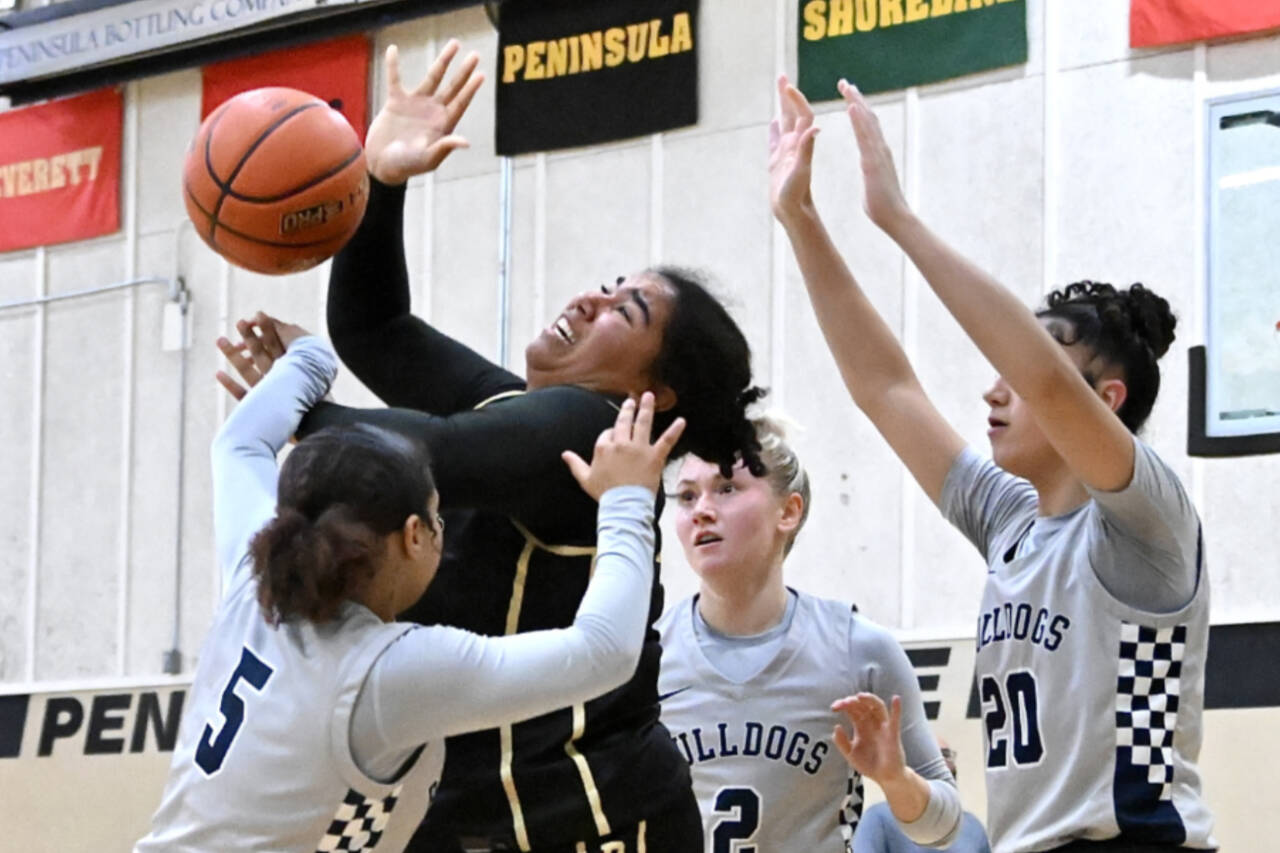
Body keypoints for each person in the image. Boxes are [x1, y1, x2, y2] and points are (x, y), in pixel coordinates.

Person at [218, 42, 763, 853]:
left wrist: (302, 408)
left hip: (595, 813)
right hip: (490, 806)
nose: (595, 295)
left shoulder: (591, 426)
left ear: (656, 387)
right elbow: (378, 330)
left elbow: (434, 452)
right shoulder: (523, 408)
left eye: (627, 311)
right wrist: (382, 181)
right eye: (612, 282)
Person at [768, 74, 1215, 853]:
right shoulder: (1011, 517)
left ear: (1105, 399)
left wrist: (899, 220)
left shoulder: (1149, 521)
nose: (995, 384)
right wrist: (801, 218)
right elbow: (885, 387)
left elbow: (1040, 374)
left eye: (1026, 359)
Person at [137, 319, 685, 852]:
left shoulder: (254, 576)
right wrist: (627, 499)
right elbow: (604, 653)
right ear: (414, 535)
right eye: (439, 516)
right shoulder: (389, 674)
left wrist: (306, 363)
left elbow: (239, 445)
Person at [657, 415, 963, 852]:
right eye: (687, 496)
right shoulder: (646, 656)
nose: (702, 509)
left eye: (726, 488)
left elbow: (945, 829)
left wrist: (897, 781)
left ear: (789, 511)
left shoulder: (858, 648)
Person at [856, 738, 991, 853]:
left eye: (946, 754)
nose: (941, 763)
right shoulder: (879, 818)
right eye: (935, 755)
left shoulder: (973, 826)